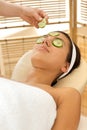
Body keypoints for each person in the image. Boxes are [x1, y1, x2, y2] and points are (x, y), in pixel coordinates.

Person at [0, 31, 81, 130]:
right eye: (44, 37)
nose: (46, 41)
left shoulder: (65, 95)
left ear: (65, 66)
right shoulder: (4, 81)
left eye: (57, 42)